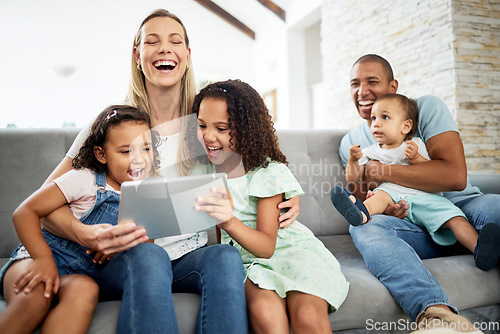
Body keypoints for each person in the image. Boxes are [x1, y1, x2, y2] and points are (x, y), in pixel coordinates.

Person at [38, 9, 298, 333]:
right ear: (137, 56)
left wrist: (285, 197)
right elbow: (43, 207)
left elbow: (257, 166)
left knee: (223, 258)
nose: (164, 48)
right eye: (152, 41)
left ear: (187, 56)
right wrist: (86, 234)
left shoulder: (204, 128)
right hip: (127, 260)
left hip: (187, 258)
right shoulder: (113, 127)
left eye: (175, 41)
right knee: (149, 256)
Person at [336, 54, 499, 333]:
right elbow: (362, 198)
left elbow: (454, 178)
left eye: (371, 81)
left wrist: (382, 172)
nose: (361, 92)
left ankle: (480, 245)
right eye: (354, 84)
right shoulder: (351, 142)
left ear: (393, 85)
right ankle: (438, 318)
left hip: (461, 207)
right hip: (411, 225)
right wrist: (384, 205)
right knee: (364, 226)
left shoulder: (426, 108)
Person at [0, 106, 175, 333]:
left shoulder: (148, 196)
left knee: (85, 291)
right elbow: (25, 212)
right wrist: (43, 259)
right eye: (126, 152)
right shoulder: (85, 179)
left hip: (80, 276)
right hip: (37, 257)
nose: (139, 160)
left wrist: (120, 243)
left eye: (146, 148)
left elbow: (144, 246)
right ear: (101, 154)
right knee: (35, 296)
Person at [192, 80, 349, 334]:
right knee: (266, 316)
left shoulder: (266, 172)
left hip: (291, 253)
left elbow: (266, 247)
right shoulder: (202, 171)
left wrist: (228, 220)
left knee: (307, 317)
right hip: (247, 265)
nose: (209, 136)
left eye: (221, 128)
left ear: (247, 129)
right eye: (201, 126)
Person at [331, 93, 500, 271]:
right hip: (392, 194)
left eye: (384, 117)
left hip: (424, 196)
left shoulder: (415, 144)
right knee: (379, 197)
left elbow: (430, 170)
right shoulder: (370, 151)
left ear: (406, 126)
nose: (376, 123)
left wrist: (417, 158)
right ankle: (361, 213)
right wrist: (353, 160)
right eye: (373, 118)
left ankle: (479, 249)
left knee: (456, 219)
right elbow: (354, 179)